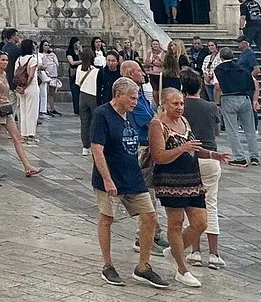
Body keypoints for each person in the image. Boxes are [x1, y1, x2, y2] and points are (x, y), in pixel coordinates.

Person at [91, 78, 168, 289]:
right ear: (118, 95)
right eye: (132, 98)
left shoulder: (132, 115)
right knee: (107, 218)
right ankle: (107, 265)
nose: (135, 101)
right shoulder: (102, 114)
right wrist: (107, 179)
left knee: (149, 216)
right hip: (111, 176)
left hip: (133, 175)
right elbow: (97, 148)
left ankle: (143, 266)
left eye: (136, 97)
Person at [149, 87, 225, 288]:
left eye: (181, 103)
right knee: (176, 222)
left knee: (201, 222)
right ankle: (182, 269)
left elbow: (194, 148)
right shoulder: (157, 124)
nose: (180, 107)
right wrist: (182, 148)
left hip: (192, 178)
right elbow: (159, 156)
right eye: (175, 103)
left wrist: (212, 154)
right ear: (164, 104)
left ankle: (175, 250)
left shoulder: (184, 121)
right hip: (171, 180)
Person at [178, 70, 226, 270]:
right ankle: (214, 254)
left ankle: (195, 251)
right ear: (200, 87)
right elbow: (216, 132)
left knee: (191, 205)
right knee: (211, 203)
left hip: (188, 158)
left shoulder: (179, 107)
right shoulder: (211, 106)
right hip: (210, 158)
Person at [0, 52, 40, 178]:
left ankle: (27, 166)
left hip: (6, 108)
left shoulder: (4, 74)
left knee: (16, 137)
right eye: (2, 60)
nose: (5, 62)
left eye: (6, 60)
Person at [212, 46, 260, 166]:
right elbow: (254, 84)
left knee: (232, 130)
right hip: (244, 97)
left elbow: (217, 87)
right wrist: (254, 100)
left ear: (221, 57)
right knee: (250, 129)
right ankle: (254, 156)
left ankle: (239, 157)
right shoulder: (242, 69)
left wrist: (217, 103)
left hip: (228, 97)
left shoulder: (219, 69)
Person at [236, 0, 261, 77]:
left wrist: (241, 28)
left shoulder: (243, 5)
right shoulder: (255, 2)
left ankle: (251, 64)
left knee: (247, 44)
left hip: (250, 26)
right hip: (260, 25)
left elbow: (243, 17)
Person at [13, 39, 41, 142]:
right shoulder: (32, 59)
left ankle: (23, 133)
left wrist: (19, 87)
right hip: (31, 87)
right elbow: (31, 75)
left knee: (23, 111)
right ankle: (30, 134)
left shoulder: (19, 59)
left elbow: (16, 74)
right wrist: (25, 86)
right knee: (32, 111)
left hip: (20, 87)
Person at [75, 50, 101, 156]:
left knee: (84, 122)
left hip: (82, 95)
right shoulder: (96, 70)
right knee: (94, 121)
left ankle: (85, 146)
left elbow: (77, 82)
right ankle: (94, 143)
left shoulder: (79, 68)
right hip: (93, 95)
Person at [39, 39, 61, 118]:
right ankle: (45, 108)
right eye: (45, 45)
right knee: (45, 93)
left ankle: (52, 108)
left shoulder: (52, 54)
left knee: (51, 93)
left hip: (53, 75)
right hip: (45, 76)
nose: (47, 46)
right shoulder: (40, 55)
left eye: (48, 45)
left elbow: (57, 63)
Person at [65, 37, 85, 115]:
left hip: (81, 72)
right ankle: (76, 109)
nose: (79, 45)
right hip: (74, 71)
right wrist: (81, 61)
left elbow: (86, 58)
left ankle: (81, 108)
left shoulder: (80, 52)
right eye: (77, 43)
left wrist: (81, 51)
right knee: (75, 90)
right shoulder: (70, 52)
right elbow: (72, 62)